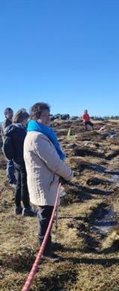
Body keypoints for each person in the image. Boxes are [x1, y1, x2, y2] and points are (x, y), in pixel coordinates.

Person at [25, 102, 72, 262]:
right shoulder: (37, 137)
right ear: (36, 117)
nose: (48, 118)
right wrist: (69, 174)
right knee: (45, 217)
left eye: (48, 115)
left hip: (45, 182)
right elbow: (55, 163)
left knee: (46, 216)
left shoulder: (38, 134)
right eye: (44, 115)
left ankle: (47, 244)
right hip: (44, 184)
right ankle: (45, 250)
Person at [4, 109, 31, 216]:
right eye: (26, 119)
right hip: (23, 160)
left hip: (15, 161)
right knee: (24, 185)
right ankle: (27, 208)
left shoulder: (11, 129)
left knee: (19, 184)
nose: (27, 122)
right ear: (22, 119)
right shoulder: (20, 131)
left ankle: (18, 207)